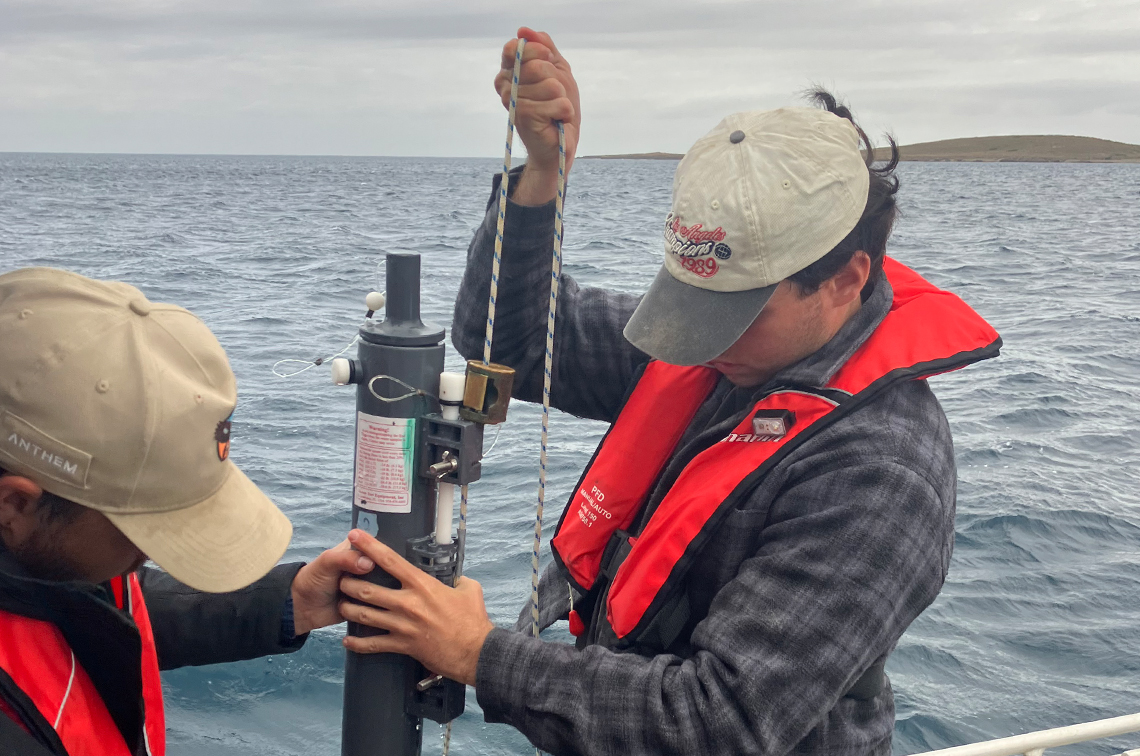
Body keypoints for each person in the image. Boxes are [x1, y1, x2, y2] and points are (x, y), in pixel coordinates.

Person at [335, 28, 1002, 756]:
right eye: (691, 304)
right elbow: (510, 341)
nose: (702, 342)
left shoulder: (882, 471)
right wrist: (545, 171)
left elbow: (719, 722)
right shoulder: (719, 357)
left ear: (846, 281)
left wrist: (479, 654)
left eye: (735, 313)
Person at [0, 267, 376, 756]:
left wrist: (290, 602)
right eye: (146, 528)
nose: (152, 555)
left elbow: (89, 608)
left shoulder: (47, 555)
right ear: (15, 504)